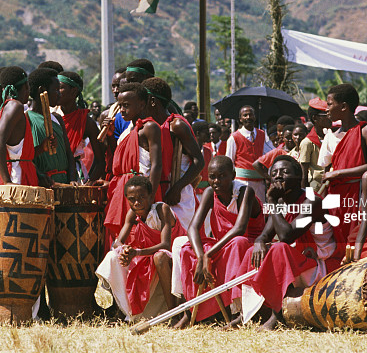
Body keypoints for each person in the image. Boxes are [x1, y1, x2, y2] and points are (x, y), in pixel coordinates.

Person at [235, 156, 336, 330]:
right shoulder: (281, 202)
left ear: (298, 176)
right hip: (301, 261)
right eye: (274, 173)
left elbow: (286, 236)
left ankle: (278, 315)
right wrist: (259, 242)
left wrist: (272, 201)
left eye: (285, 172)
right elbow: (265, 235)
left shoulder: (312, 201)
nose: (278, 176)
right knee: (254, 250)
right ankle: (246, 313)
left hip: (322, 263)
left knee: (279, 248)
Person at [175, 156, 264, 327]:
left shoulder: (245, 192)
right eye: (212, 176)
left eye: (222, 176)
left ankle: (237, 310)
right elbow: (193, 228)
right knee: (186, 248)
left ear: (233, 175)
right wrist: (202, 256)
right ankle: (192, 309)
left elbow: (239, 229)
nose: (216, 181)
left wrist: (208, 254)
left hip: (248, 242)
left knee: (238, 242)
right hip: (223, 243)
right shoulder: (210, 193)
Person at [96, 176, 183, 321]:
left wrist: (136, 253)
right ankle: (123, 310)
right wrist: (125, 251)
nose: (137, 202)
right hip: (146, 255)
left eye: (142, 197)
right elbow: (118, 242)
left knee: (160, 257)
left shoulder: (162, 209)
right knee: (112, 257)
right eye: (132, 199)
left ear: (151, 196)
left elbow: (165, 245)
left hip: (173, 258)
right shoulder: (132, 213)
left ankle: (173, 314)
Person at [142, 77, 204, 231]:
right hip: (159, 192)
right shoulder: (149, 126)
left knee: (177, 244)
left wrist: (177, 188)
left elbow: (199, 160)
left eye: (143, 99)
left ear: (153, 101)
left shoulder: (177, 125)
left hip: (179, 196)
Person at [104, 82, 163, 242]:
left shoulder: (150, 127)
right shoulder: (128, 129)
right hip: (123, 190)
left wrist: (149, 197)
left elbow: (156, 164)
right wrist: (110, 136)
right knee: (120, 238)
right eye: (120, 105)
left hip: (141, 191)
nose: (122, 110)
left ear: (142, 104)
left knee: (139, 237)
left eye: (127, 105)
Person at [319, 84, 367, 240]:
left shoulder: (365, 130)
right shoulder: (332, 135)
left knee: (355, 237)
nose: (327, 109)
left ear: (344, 106)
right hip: (336, 195)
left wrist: (338, 173)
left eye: (330, 104)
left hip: (358, 192)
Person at [0, 66, 39, 187]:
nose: (28, 91)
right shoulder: (15, 106)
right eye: (27, 87)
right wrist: (7, 182)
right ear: (25, 87)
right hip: (15, 176)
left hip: (17, 172)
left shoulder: (7, 107)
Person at [26, 68, 76, 185]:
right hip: (43, 183)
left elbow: (69, 154)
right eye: (56, 90)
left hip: (64, 182)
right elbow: (25, 157)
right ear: (42, 90)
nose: (59, 94)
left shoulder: (57, 119)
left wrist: (72, 179)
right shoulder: (26, 119)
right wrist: (40, 175)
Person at [57, 71, 106, 183]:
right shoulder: (50, 116)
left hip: (75, 177)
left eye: (60, 88)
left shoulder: (86, 122)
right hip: (51, 175)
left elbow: (100, 161)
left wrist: (89, 183)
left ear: (73, 91)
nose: (56, 92)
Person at [225, 105, 275, 202]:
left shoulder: (262, 134)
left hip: (259, 182)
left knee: (260, 209)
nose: (248, 117)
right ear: (240, 119)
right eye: (245, 115)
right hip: (241, 181)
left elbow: (270, 152)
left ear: (255, 117)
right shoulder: (234, 137)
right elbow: (229, 161)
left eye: (250, 114)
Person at [298, 99, 331, 190]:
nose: (330, 118)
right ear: (315, 118)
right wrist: (304, 193)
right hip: (315, 186)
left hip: (332, 185)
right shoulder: (307, 142)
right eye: (326, 115)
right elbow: (304, 172)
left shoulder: (331, 137)